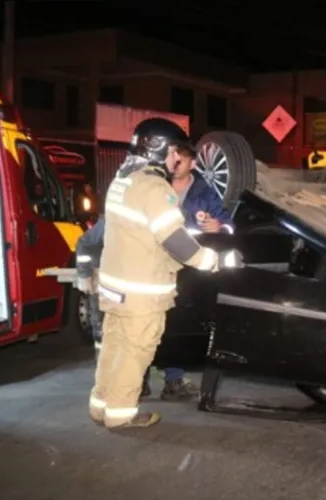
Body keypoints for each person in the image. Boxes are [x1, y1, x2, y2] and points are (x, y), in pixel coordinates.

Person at [79, 117, 240, 429]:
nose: (176, 159)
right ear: (160, 149)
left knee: (113, 346)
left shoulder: (123, 180)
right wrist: (212, 261)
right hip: (141, 291)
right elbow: (174, 239)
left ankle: (101, 404)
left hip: (115, 286)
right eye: (174, 152)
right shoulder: (154, 187)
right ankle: (121, 414)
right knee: (136, 350)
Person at [151, 143, 235, 401]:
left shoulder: (204, 192)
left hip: (189, 272)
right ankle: (138, 381)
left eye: (181, 159)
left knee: (176, 322)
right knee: (148, 321)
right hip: (154, 264)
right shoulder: (155, 186)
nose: (175, 163)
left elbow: (230, 226)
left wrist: (217, 226)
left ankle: (173, 381)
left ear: (193, 164)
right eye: (172, 157)